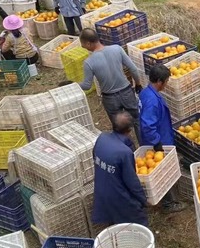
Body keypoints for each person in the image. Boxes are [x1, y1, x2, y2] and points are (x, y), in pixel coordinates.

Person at [79, 28, 142, 140]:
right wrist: (138, 84)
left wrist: (74, 85)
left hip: (110, 99)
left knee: (119, 128)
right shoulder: (117, 49)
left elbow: (87, 85)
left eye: (83, 44)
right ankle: (144, 147)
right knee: (137, 120)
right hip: (127, 92)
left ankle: (127, 151)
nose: (83, 47)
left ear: (88, 43)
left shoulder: (89, 62)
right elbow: (133, 69)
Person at [139, 64, 186, 214]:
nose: (167, 84)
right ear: (159, 81)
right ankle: (168, 204)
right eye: (166, 81)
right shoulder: (152, 101)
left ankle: (168, 200)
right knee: (162, 173)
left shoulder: (146, 93)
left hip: (161, 136)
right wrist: (157, 142)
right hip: (159, 141)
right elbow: (148, 125)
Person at [91, 111, 148, 227]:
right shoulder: (124, 152)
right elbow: (131, 182)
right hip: (118, 196)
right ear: (130, 130)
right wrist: (143, 200)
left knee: (113, 223)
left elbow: (94, 157)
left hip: (101, 190)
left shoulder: (102, 138)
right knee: (138, 223)